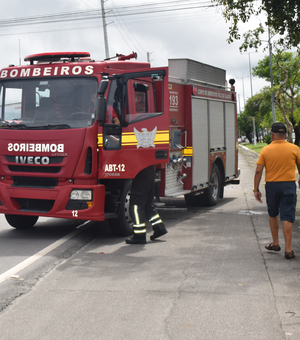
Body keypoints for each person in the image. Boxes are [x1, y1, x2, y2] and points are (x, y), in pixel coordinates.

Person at [254, 122, 300, 259]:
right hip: (288, 186)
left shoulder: (265, 150)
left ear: (272, 135)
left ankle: (275, 243)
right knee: (287, 216)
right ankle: (288, 249)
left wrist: (256, 189)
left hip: (272, 186)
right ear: (285, 135)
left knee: (273, 214)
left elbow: (258, 171)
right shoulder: (294, 148)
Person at [126, 165, 168, 244]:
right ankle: (159, 228)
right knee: (147, 206)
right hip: (148, 173)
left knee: (136, 207)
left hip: (141, 174)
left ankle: (139, 236)